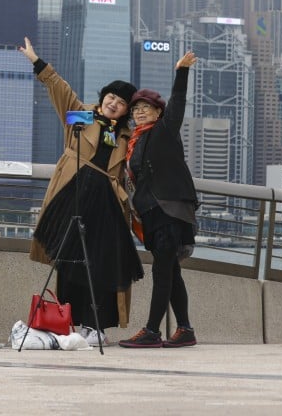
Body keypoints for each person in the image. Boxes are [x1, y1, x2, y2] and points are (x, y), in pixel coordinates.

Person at [19, 37, 144, 346]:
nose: (114, 103)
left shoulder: (129, 136)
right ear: (103, 97)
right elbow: (60, 90)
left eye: (121, 102)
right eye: (111, 97)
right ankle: (70, 320)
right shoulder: (82, 115)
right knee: (69, 260)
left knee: (104, 264)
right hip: (73, 194)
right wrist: (37, 62)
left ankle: (97, 324)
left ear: (126, 110)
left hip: (108, 202)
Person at [119, 51, 200, 349]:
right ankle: (185, 329)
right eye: (136, 108)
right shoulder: (135, 141)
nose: (140, 112)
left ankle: (152, 330)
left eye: (147, 108)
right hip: (152, 214)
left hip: (170, 210)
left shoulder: (164, 131)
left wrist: (181, 72)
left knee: (162, 270)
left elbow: (177, 103)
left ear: (158, 112)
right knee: (172, 271)